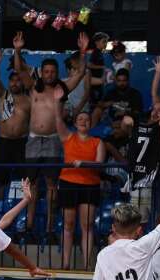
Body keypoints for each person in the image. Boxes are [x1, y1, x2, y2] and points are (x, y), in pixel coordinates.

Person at [13, 31, 89, 240]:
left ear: (56, 73)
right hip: (33, 140)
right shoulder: (33, 87)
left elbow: (81, 72)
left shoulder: (62, 88)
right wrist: (18, 50)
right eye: (45, 72)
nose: (49, 75)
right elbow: (19, 69)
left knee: (51, 186)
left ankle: (49, 229)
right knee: (32, 186)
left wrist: (83, 51)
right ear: (41, 73)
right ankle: (28, 227)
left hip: (55, 141)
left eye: (52, 72)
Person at [54, 86, 106, 270]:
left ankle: (86, 266)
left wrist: (83, 163)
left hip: (90, 185)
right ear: (75, 123)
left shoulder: (97, 142)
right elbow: (58, 119)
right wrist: (59, 101)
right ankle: (65, 264)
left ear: (91, 124)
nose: (84, 121)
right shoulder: (67, 137)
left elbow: (100, 164)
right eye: (80, 119)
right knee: (68, 224)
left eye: (87, 119)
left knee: (87, 225)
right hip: (68, 183)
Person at [120, 102, 160, 225]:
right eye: (153, 109)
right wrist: (127, 119)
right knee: (138, 222)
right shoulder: (140, 128)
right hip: (141, 181)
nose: (155, 113)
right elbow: (125, 125)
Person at [0, 49, 30, 189]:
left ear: (23, 83)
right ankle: (1, 209)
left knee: (24, 178)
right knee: (1, 179)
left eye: (18, 81)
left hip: (22, 143)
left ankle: (23, 206)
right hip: (4, 142)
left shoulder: (29, 100)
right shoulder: (3, 95)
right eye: (12, 80)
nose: (15, 83)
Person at [63, 51, 91, 122]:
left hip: (82, 106)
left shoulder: (86, 73)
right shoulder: (72, 74)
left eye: (73, 62)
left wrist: (78, 108)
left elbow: (87, 93)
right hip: (70, 106)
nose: (72, 64)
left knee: (79, 120)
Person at [88, 32, 109, 108]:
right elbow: (89, 65)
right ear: (97, 42)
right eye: (103, 42)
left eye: (106, 42)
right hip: (94, 82)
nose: (105, 44)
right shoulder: (95, 53)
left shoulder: (99, 53)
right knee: (95, 104)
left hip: (99, 82)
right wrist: (102, 67)